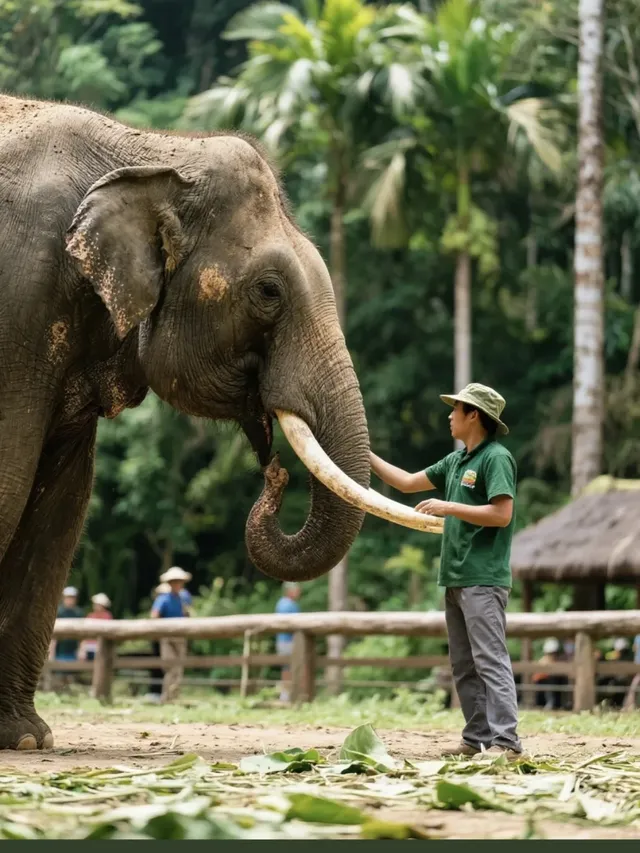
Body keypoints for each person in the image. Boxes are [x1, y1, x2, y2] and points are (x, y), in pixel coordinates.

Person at [370, 383, 524, 760]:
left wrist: (449, 507)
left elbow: (502, 514)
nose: (449, 416)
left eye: (455, 410)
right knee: (462, 664)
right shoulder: (455, 462)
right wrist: (362, 453)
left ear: (474, 415)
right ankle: (475, 739)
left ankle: (507, 743)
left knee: (490, 658)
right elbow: (406, 482)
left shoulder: (496, 458)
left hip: (483, 577)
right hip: (455, 577)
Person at [150, 567, 192, 702]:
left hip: (181, 635)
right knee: (170, 667)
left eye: (179, 581)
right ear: (169, 583)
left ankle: (175, 697)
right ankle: (167, 697)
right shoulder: (163, 599)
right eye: (174, 581)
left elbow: (188, 614)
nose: (177, 584)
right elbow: (154, 615)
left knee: (179, 668)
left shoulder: (185, 597)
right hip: (167, 636)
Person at [50, 586, 84, 688]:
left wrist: (82, 649)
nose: (70, 599)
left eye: (72, 597)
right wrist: (51, 651)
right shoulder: (58, 611)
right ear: (64, 598)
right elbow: (53, 633)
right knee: (59, 672)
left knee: (71, 673)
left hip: (73, 647)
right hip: (60, 647)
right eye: (68, 597)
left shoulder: (78, 613)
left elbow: (83, 633)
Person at [274, 581, 301, 702]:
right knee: (290, 667)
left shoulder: (281, 603)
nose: (298, 592)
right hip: (288, 641)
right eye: (296, 590)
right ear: (290, 591)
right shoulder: (289, 605)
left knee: (286, 668)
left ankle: (286, 694)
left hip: (282, 641)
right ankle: (288, 694)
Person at [532, 638, 567, 710]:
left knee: (558, 681)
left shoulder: (555, 660)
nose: (553, 655)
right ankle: (550, 703)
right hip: (542, 681)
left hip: (550, 680)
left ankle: (557, 704)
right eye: (552, 653)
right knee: (551, 683)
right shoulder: (544, 660)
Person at [79, 593, 113, 663]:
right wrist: (82, 648)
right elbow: (85, 633)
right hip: (89, 646)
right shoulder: (90, 616)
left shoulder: (107, 616)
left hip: (101, 646)